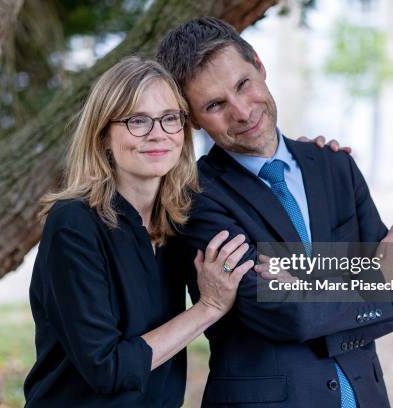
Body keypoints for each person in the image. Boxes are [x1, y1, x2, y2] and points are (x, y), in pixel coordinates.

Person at [156, 17, 393, 408]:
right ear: (192, 118)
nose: (243, 112)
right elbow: (288, 315)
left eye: (243, 84)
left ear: (260, 66)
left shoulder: (336, 167)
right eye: (215, 105)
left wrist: (301, 281)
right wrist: (367, 275)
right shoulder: (195, 199)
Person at [23, 57, 255, 407]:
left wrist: (308, 160)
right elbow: (108, 368)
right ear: (103, 137)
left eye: (169, 118)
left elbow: (269, 250)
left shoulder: (179, 218)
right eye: (138, 121)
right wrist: (208, 306)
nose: (158, 133)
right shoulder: (74, 224)